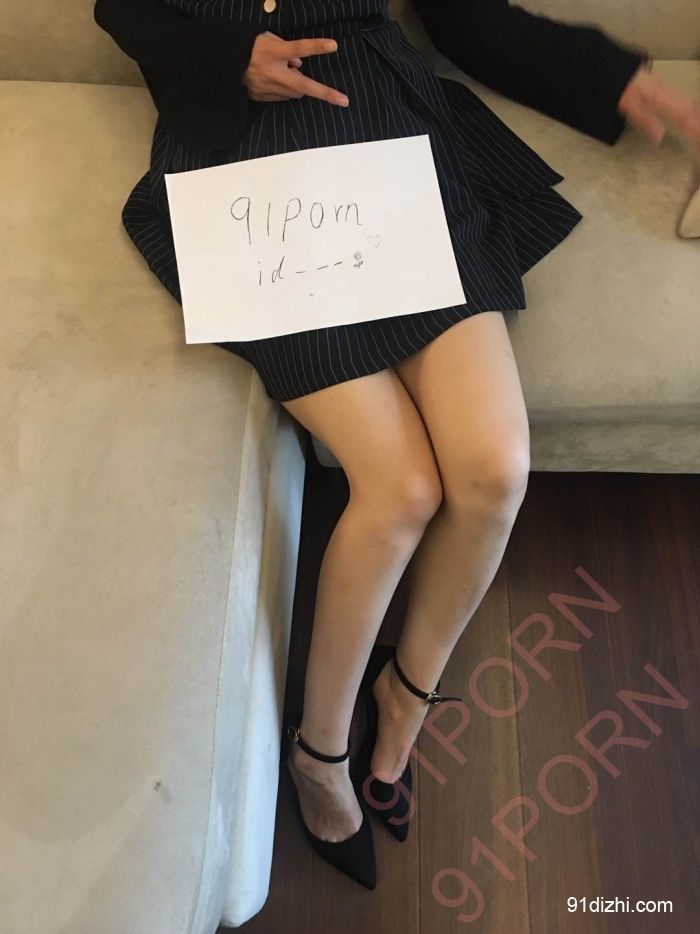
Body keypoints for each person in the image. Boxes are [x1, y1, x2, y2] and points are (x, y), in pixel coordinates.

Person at [94, 0, 700, 891]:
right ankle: (319, 753)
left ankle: (406, 695)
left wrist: (616, 80)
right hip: (246, 176)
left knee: (494, 469)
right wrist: (231, 57)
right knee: (401, 487)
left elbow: (463, 16)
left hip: (388, 148)